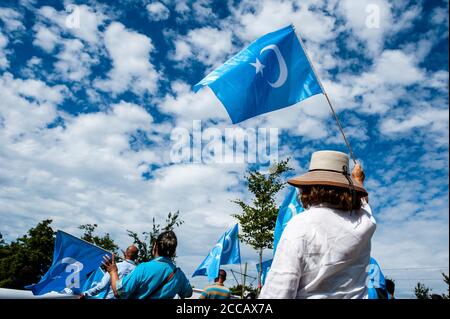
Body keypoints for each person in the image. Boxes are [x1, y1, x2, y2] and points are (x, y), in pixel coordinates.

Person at [259, 150, 377, 299]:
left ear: (308, 187)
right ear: (348, 188)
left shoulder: (300, 225)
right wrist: (358, 181)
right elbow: (364, 204)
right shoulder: (364, 223)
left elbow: (277, 292)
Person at [103, 230, 192, 299]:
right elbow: (188, 293)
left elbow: (119, 292)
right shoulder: (179, 275)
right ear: (174, 252)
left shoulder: (143, 268)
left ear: (155, 247)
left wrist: (113, 271)